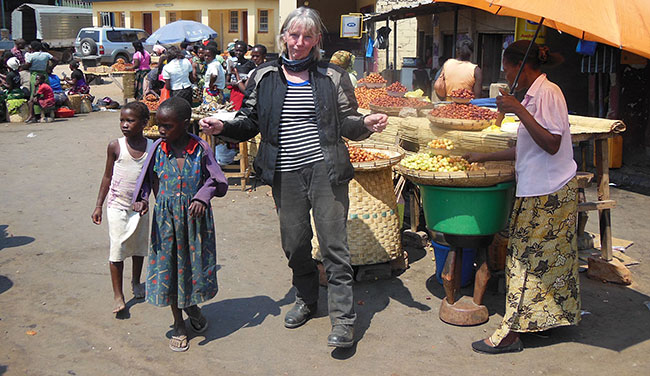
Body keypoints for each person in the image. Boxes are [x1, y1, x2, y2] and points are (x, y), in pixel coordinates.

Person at [199, 7, 388, 348]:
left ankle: (344, 320)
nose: (299, 42)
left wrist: (364, 125)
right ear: (284, 36)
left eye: (307, 36)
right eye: (294, 35)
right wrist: (224, 126)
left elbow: (347, 120)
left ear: (317, 40)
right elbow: (250, 120)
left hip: (326, 170)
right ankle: (306, 298)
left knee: (334, 245)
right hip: (284, 173)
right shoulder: (264, 75)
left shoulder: (333, 76)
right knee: (295, 244)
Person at [466, 41, 578, 355]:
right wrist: (483, 156)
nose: (507, 75)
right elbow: (526, 147)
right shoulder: (532, 96)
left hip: (549, 192)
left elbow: (552, 142)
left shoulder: (548, 93)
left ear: (522, 66)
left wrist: (518, 109)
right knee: (546, 262)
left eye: (508, 69)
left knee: (523, 262)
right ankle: (544, 322)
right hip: (540, 188)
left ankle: (511, 332)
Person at [132, 97, 228, 352]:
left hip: (195, 223)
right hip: (165, 222)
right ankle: (178, 324)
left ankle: (193, 308)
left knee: (191, 270)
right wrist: (141, 200)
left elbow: (217, 180)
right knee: (170, 270)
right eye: (159, 125)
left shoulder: (200, 149)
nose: (161, 131)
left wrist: (202, 197)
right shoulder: (156, 149)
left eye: (168, 126)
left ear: (185, 124)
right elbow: (145, 179)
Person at [91, 102, 153, 314]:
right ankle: (118, 295)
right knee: (117, 248)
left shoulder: (152, 148)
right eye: (122, 120)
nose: (124, 125)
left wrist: (145, 199)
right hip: (116, 205)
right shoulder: (115, 146)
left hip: (140, 207)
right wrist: (98, 205)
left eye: (130, 121)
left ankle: (136, 281)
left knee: (138, 247)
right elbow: (107, 176)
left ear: (144, 123)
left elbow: (151, 180)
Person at [225, 40, 255, 110]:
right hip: (234, 94)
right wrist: (234, 84)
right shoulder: (231, 63)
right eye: (236, 50)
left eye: (240, 51)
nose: (238, 53)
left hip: (244, 94)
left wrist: (239, 83)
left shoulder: (250, 64)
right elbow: (226, 82)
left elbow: (251, 82)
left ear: (245, 52)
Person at [202, 46, 226, 110]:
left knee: (211, 110)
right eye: (205, 55)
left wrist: (210, 85)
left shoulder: (214, 64)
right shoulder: (214, 64)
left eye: (209, 56)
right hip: (216, 91)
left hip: (212, 93)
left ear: (214, 56)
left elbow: (214, 75)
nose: (206, 57)